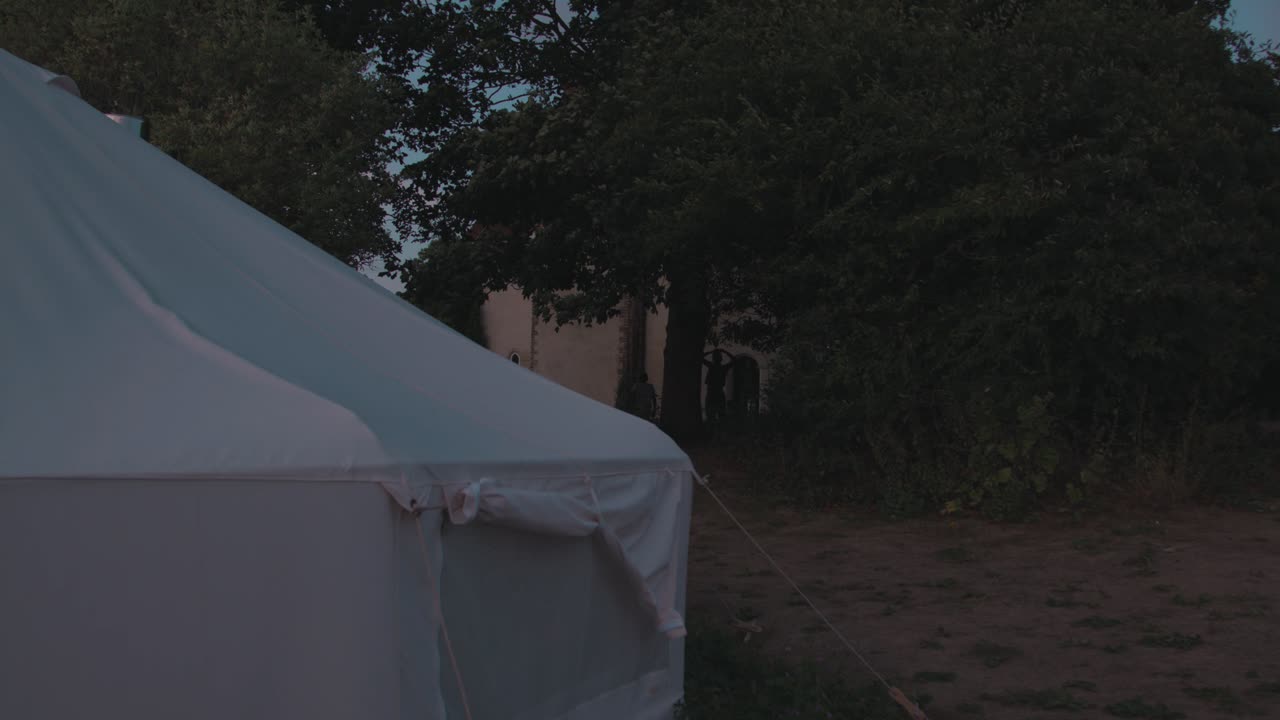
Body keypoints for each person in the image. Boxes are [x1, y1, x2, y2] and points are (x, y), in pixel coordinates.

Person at [703, 349, 733, 424]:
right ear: (721, 359)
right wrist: (725, 351)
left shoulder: (711, 366)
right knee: (721, 415)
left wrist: (710, 351)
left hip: (711, 393)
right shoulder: (723, 368)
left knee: (710, 415)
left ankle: (712, 427)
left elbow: (701, 357)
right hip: (719, 393)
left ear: (713, 359)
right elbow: (734, 360)